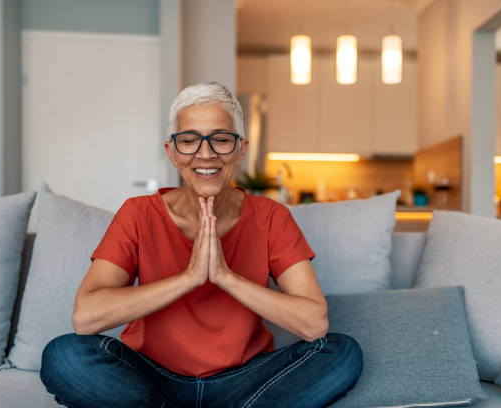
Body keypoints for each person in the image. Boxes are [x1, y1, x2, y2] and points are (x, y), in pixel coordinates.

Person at [40, 82, 363, 408]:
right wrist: (189, 278)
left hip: (244, 378)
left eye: (221, 140)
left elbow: (314, 324)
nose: (205, 153)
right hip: (154, 377)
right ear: (171, 151)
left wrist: (225, 277)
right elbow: (86, 317)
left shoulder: (271, 217)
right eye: (189, 140)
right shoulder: (138, 213)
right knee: (65, 355)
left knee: (341, 351)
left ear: (240, 149)